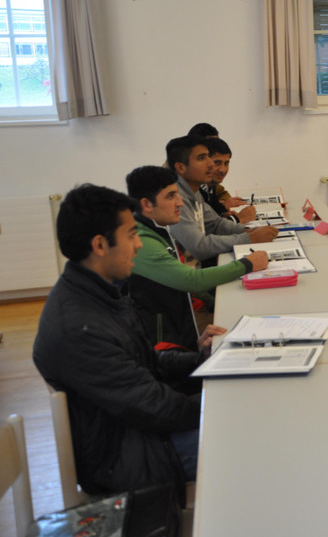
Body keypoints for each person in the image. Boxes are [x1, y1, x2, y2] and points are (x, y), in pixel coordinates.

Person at [33, 184, 223, 496]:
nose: (138, 245)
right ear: (99, 245)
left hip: (139, 432)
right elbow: (154, 407)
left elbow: (145, 363)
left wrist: (199, 357)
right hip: (129, 456)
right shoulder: (79, 327)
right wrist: (222, 405)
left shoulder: (99, 291)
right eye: (132, 235)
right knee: (249, 437)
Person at [126, 165, 269, 350]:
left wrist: (216, 303)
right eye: (171, 196)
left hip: (184, 321)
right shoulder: (142, 242)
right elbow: (191, 280)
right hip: (169, 340)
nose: (180, 203)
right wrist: (246, 264)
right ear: (146, 205)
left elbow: (184, 279)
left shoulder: (158, 229)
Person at [165, 135, 277, 267]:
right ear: (181, 167)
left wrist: (247, 231)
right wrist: (249, 238)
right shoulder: (175, 198)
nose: (211, 164)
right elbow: (199, 246)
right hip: (191, 276)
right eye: (201, 158)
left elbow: (215, 224)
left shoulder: (192, 190)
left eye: (208, 157)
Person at [200, 137, 256, 223]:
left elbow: (212, 217)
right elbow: (205, 227)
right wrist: (239, 219)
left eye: (226, 163)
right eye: (217, 163)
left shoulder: (210, 186)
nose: (222, 170)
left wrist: (223, 214)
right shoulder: (194, 190)